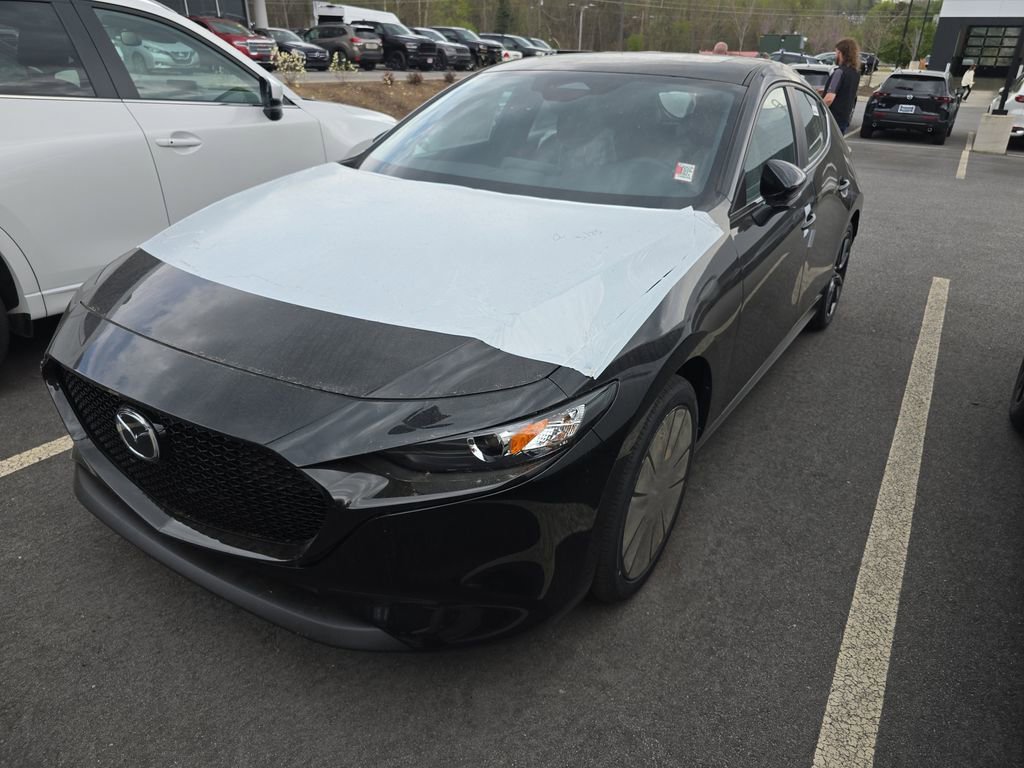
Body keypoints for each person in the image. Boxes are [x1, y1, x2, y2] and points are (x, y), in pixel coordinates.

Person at [823, 38, 861, 134]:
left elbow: (829, 99)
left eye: (836, 52)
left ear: (841, 53)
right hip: (844, 119)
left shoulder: (839, 72)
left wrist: (818, 112)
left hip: (832, 120)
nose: (835, 56)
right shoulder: (855, 73)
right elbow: (845, 92)